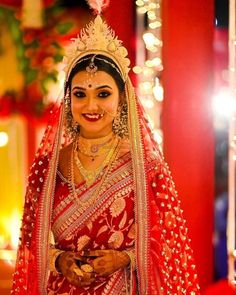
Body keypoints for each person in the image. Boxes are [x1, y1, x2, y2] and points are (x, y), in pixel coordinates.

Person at [11, 13, 200, 295]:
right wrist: (60, 260)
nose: (90, 105)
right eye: (79, 94)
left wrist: (125, 258)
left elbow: (168, 242)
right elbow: (30, 242)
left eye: (103, 94)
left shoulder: (144, 165)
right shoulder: (48, 167)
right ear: (68, 99)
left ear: (122, 98)